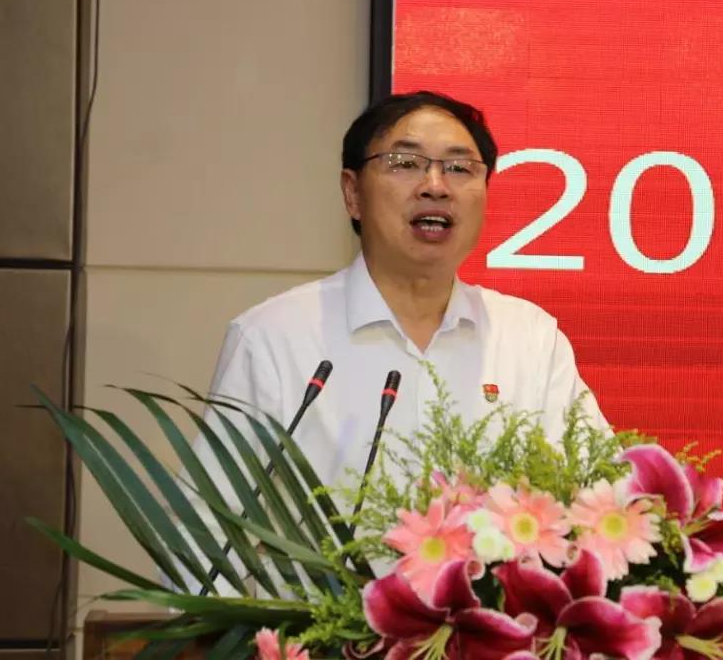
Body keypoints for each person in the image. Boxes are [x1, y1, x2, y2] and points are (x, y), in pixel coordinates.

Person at [197, 90, 605, 500]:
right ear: (353, 193)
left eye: (460, 168)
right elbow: (209, 524)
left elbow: (603, 499)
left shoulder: (530, 339)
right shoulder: (274, 338)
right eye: (406, 163)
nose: (436, 187)